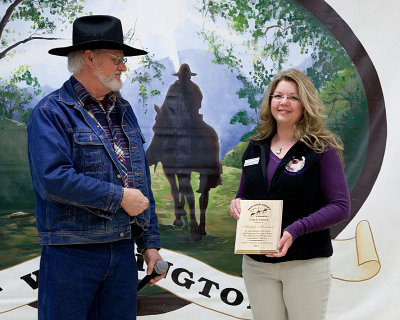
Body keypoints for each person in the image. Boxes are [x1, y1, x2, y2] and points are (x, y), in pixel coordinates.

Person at [27, 15, 165, 320]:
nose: (123, 67)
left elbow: (139, 182)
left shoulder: (124, 110)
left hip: (122, 251)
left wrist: (149, 245)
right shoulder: (50, 113)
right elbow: (52, 180)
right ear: (90, 58)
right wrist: (118, 197)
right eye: (117, 59)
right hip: (71, 254)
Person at [229, 68, 350, 320]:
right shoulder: (254, 148)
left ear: (304, 103)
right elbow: (244, 195)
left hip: (305, 263)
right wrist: (237, 205)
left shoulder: (320, 148)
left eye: (293, 97)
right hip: (257, 266)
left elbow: (340, 206)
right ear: (270, 101)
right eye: (278, 96)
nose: (284, 102)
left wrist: (296, 230)